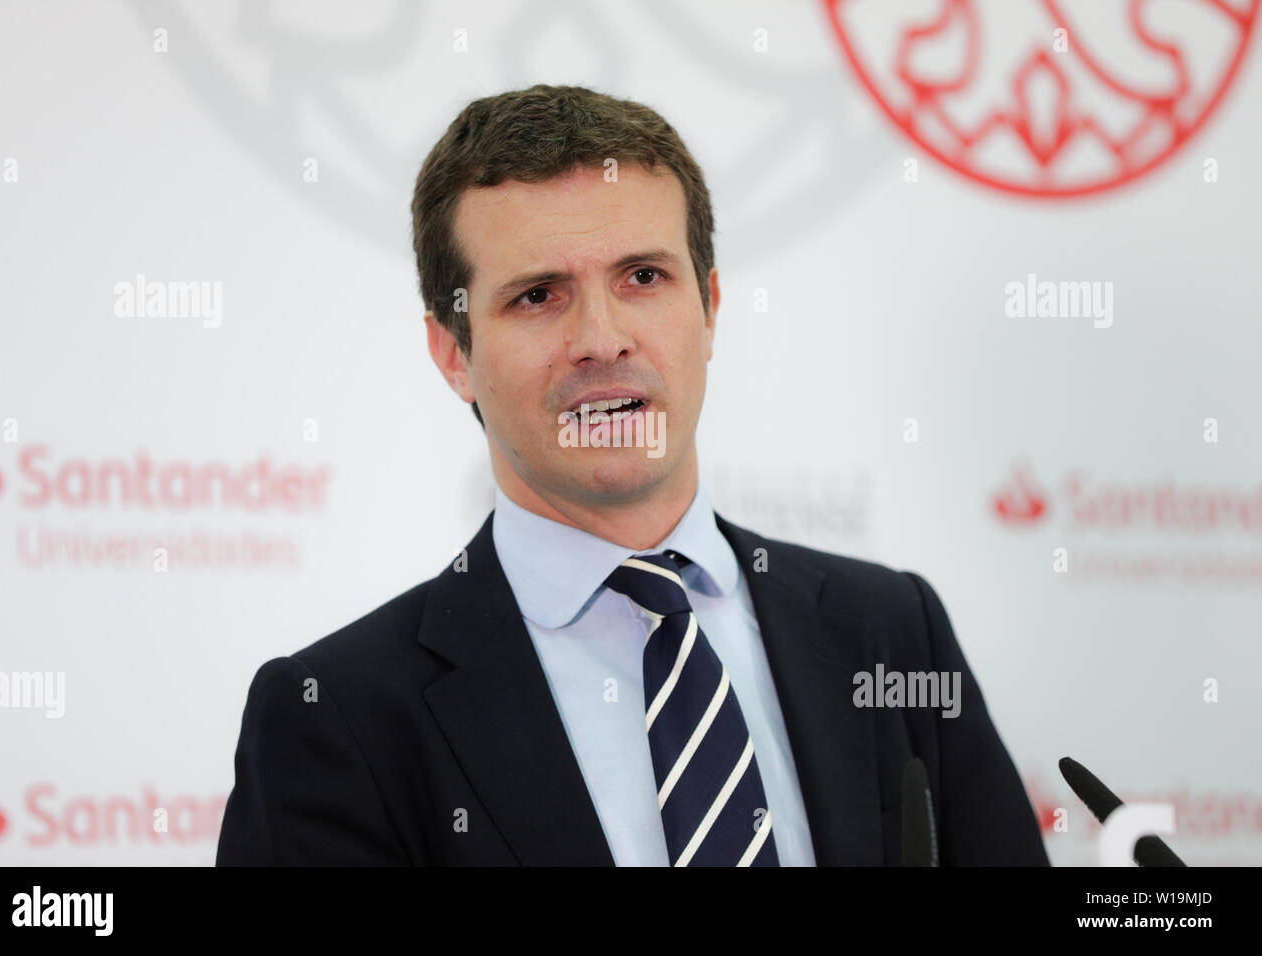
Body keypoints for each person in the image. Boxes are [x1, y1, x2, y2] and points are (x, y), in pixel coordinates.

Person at [216, 84, 1048, 867]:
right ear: (452, 353)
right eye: (539, 295)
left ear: (710, 307)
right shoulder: (336, 715)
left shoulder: (891, 627)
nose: (602, 339)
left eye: (643, 278)